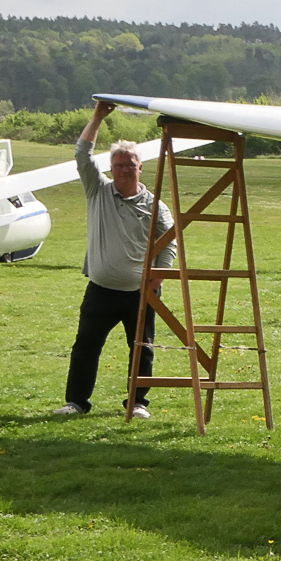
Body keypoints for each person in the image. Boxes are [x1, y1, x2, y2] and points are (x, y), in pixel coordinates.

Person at [54, 101, 173, 419]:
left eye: (130, 164)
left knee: (142, 349)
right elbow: (81, 155)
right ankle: (76, 402)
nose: (124, 169)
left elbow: (170, 239)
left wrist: (158, 276)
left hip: (141, 292)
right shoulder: (97, 191)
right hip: (101, 289)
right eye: (118, 164)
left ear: (140, 167)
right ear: (111, 168)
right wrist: (97, 117)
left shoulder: (155, 205)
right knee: (85, 347)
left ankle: (137, 404)